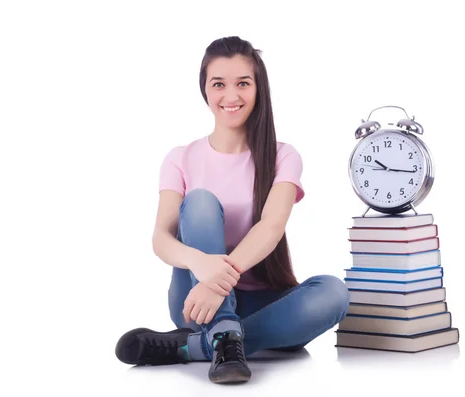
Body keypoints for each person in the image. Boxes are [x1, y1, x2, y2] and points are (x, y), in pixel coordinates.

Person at [114, 36, 350, 384]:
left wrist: (219, 282)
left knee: (335, 292)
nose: (231, 95)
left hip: (259, 302)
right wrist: (202, 266)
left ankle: (199, 346)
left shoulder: (283, 156)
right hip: (195, 301)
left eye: (243, 83)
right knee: (200, 202)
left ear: (258, 88)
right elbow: (160, 240)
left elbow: (271, 227)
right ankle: (222, 331)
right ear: (205, 90)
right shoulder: (180, 158)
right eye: (219, 84)